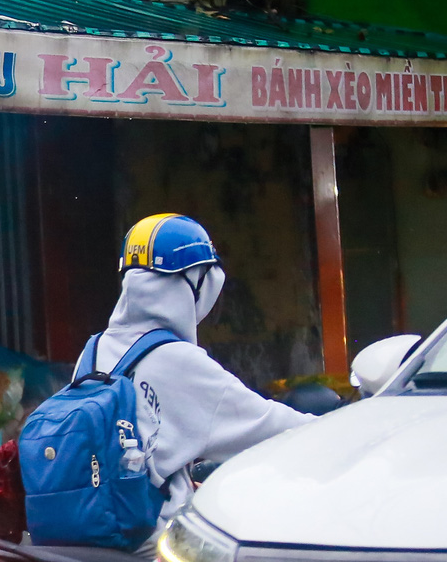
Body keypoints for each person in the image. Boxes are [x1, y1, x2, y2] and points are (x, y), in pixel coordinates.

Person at [95, 212, 310, 519]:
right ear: (192, 284)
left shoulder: (95, 348)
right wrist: (347, 426)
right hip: (147, 536)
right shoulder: (179, 361)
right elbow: (273, 428)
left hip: (94, 522)